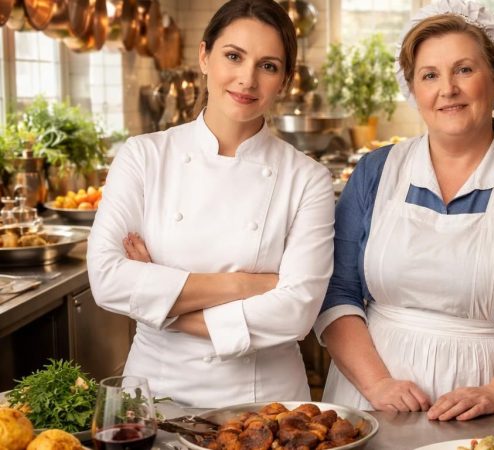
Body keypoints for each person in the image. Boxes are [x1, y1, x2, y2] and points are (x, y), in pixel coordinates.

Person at [314, 0, 494, 421]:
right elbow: (337, 289)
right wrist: (376, 385)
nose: (447, 89)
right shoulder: (376, 171)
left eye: (464, 69)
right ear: (413, 89)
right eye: (430, 75)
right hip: (371, 394)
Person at [86, 0, 335, 407]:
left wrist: (160, 302)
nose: (247, 79)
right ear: (204, 56)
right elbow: (107, 278)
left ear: (285, 80)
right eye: (233, 56)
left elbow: (297, 312)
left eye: (268, 66)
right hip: (154, 394)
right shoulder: (144, 156)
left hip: (265, 403)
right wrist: (248, 285)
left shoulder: (307, 178)